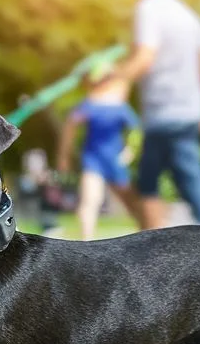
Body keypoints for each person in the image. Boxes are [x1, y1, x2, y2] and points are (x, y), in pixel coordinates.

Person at [116, 0, 200, 229]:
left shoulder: (148, 8)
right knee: (187, 176)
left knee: (151, 183)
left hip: (163, 112)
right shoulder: (189, 16)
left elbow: (145, 57)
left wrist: (115, 76)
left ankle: (158, 242)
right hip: (189, 110)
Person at [56, 61, 143, 240]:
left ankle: (144, 234)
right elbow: (70, 127)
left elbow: (136, 131)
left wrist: (129, 152)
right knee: (90, 200)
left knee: (131, 202)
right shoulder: (89, 104)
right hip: (93, 160)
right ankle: (86, 240)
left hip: (115, 160)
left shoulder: (119, 106)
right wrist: (64, 155)